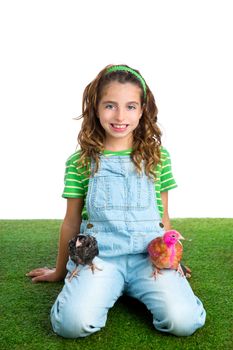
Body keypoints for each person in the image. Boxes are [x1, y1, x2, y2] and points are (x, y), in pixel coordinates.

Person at [27, 64, 206, 338]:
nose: (120, 115)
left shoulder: (159, 158)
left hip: (148, 258)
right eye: (110, 105)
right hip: (100, 258)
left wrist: (172, 256)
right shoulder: (80, 162)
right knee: (70, 325)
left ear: (143, 109)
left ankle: (132, 286)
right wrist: (61, 270)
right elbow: (72, 220)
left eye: (131, 106)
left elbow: (163, 216)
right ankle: (103, 286)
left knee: (184, 322)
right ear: (95, 109)